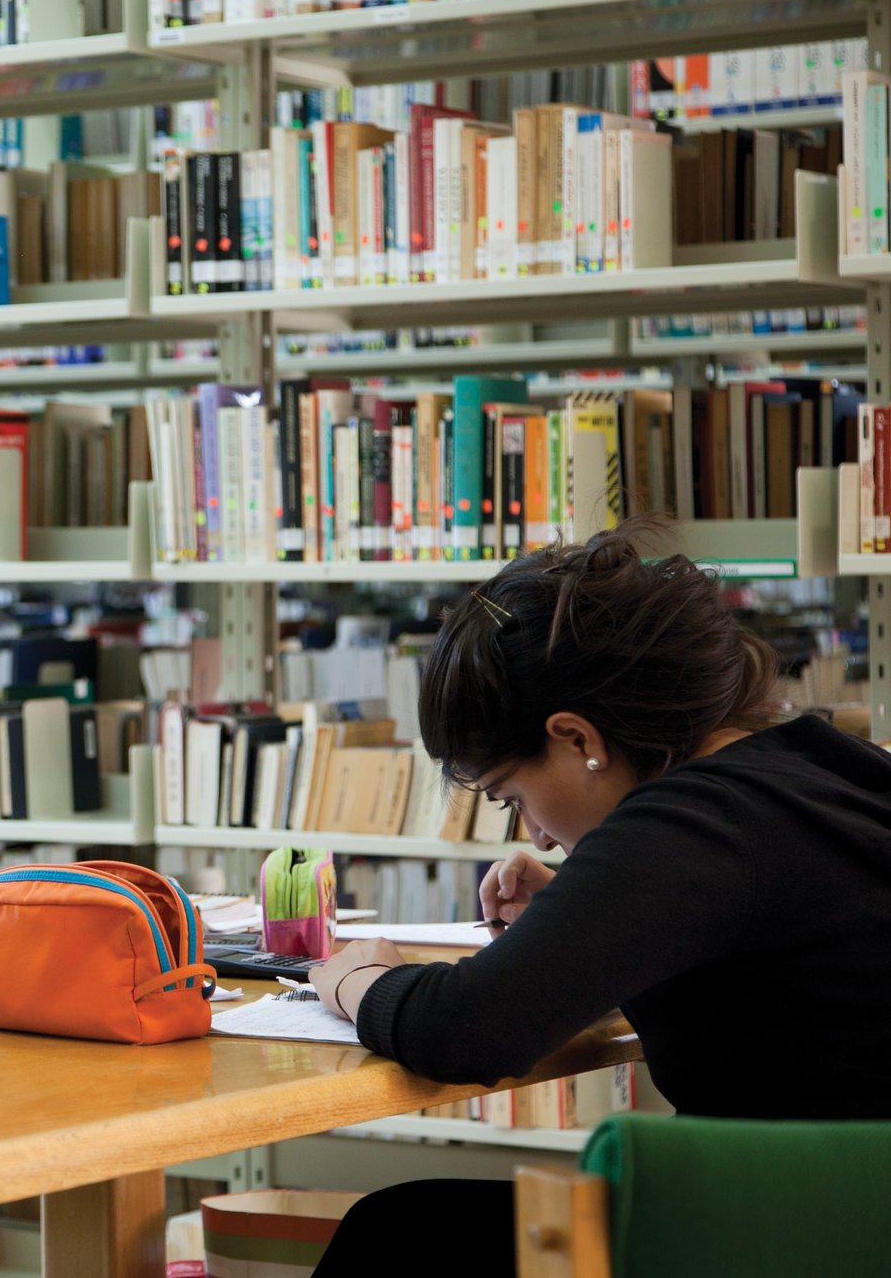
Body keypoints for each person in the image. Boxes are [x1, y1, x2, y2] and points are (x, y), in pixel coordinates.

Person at [308, 524, 891, 1277]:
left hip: (783, 1235)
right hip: (855, 1220)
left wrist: (355, 976)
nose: (537, 837)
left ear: (576, 737)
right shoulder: (821, 765)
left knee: (397, 1236)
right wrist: (591, 908)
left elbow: (467, 1027)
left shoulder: (688, 819)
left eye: (511, 794)